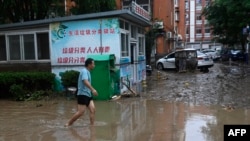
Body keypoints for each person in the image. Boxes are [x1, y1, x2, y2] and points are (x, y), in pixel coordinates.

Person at [65, 58, 98, 127]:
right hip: (82, 94)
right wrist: (93, 89)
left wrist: (91, 91)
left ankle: (92, 126)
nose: (94, 65)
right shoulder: (84, 71)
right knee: (81, 112)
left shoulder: (88, 72)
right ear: (89, 65)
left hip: (88, 94)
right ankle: (68, 124)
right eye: (93, 64)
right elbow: (85, 81)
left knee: (93, 110)